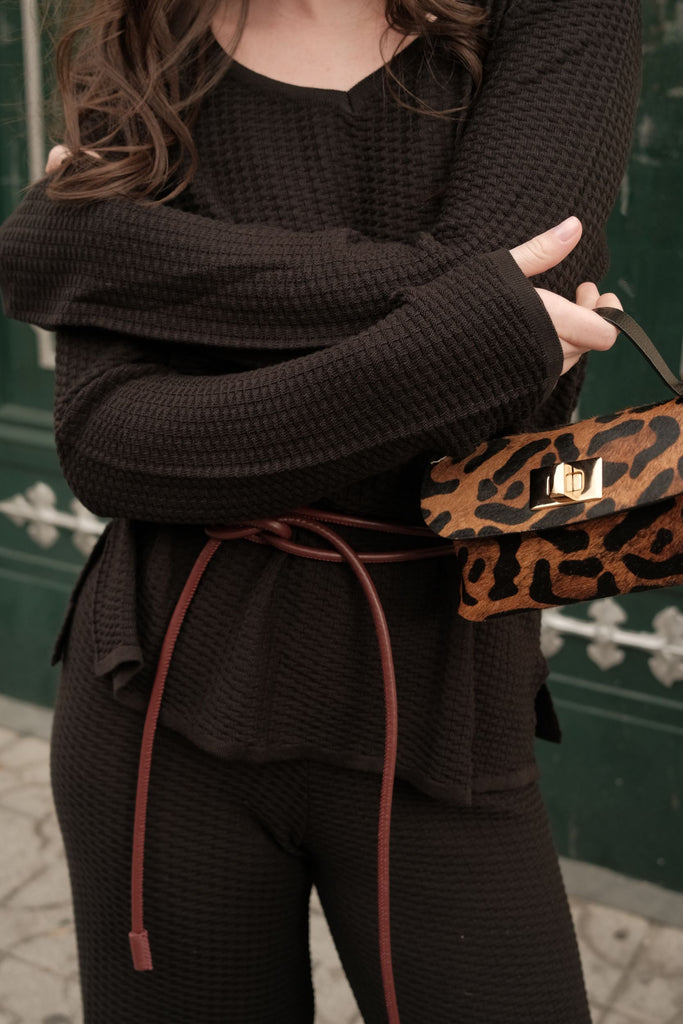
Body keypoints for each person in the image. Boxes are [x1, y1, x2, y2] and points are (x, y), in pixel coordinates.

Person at [0, 0, 641, 1020]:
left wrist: (112, 255)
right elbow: (111, 443)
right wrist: (461, 324)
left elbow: (508, 354)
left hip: (438, 709)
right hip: (156, 692)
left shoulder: (558, 12)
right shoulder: (142, 38)